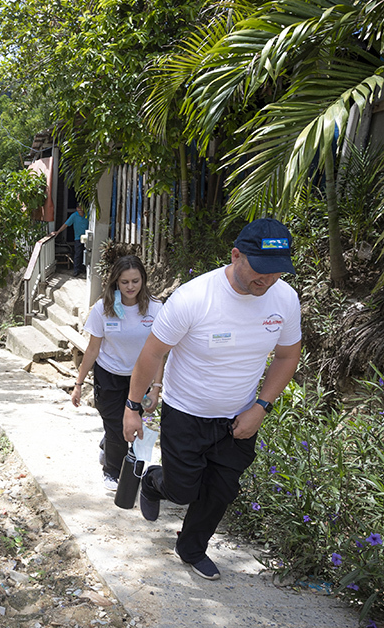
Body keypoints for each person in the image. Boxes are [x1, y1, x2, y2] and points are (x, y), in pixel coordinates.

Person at [122, 218, 302, 581]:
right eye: (260, 270)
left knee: (220, 490)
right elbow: (152, 354)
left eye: (277, 272)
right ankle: (156, 482)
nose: (266, 280)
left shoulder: (284, 299)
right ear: (236, 255)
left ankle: (191, 549)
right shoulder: (194, 298)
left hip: (240, 416)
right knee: (183, 489)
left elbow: (287, 356)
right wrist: (132, 407)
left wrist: (261, 407)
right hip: (186, 412)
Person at [70, 255, 165, 493]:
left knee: (128, 425)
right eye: (125, 282)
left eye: (135, 281)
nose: (131, 287)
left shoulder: (156, 308)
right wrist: (79, 383)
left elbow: (160, 352)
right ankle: (112, 471)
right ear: (115, 283)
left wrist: (156, 388)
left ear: (143, 280)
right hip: (109, 375)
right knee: (115, 426)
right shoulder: (103, 308)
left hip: (139, 378)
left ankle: (109, 446)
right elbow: (92, 349)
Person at [53, 204, 90, 276]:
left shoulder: (88, 214)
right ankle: (76, 270)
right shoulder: (74, 216)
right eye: (78, 207)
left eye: (82, 207)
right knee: (78, 254)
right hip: (78, 238)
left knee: (86, 253)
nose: (80, 209)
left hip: (87, 238)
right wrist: (58, 232)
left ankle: (83, 269)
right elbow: (66, 224)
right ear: (76, 208)